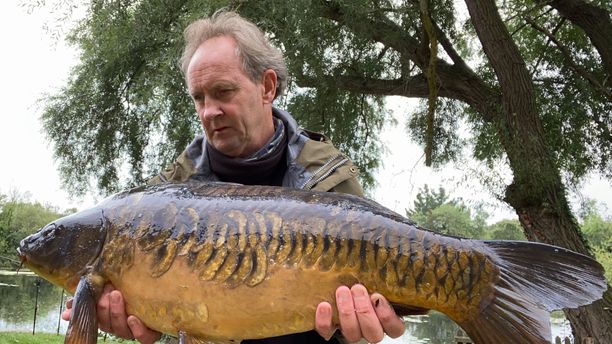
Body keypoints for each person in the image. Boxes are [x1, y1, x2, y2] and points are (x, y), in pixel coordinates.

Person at [62, 10, 406, 344]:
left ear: (267, 87)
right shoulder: (163, 199)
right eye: (199, 98)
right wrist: (143, 320)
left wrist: (359, 327)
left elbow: (373, 305)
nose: (209, 111)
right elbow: (161, 315)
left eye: (223, 91)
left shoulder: (329, 177)